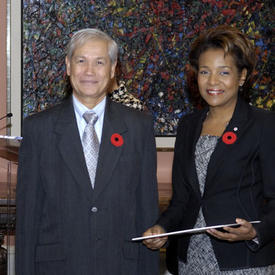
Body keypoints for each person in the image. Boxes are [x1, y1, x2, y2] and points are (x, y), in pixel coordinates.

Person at [16, 28, 159, 275]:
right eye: (81, 61)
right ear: (68, 66)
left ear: (113, 69)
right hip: (56, 267)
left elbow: (147, 211)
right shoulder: (38, 128)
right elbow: (28, 219)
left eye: (99, 62)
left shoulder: (138, 127)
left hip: (122, 266)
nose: (89, 71)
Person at [143, 25, 275, 274]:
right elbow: (181, 201)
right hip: (188, 260)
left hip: (243, 261)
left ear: (242, 76)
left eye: (223, 72)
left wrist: (256, 231)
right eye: (205, 72)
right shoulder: (188, 126)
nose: (212, 81)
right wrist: (161, 228)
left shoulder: (264, 125)